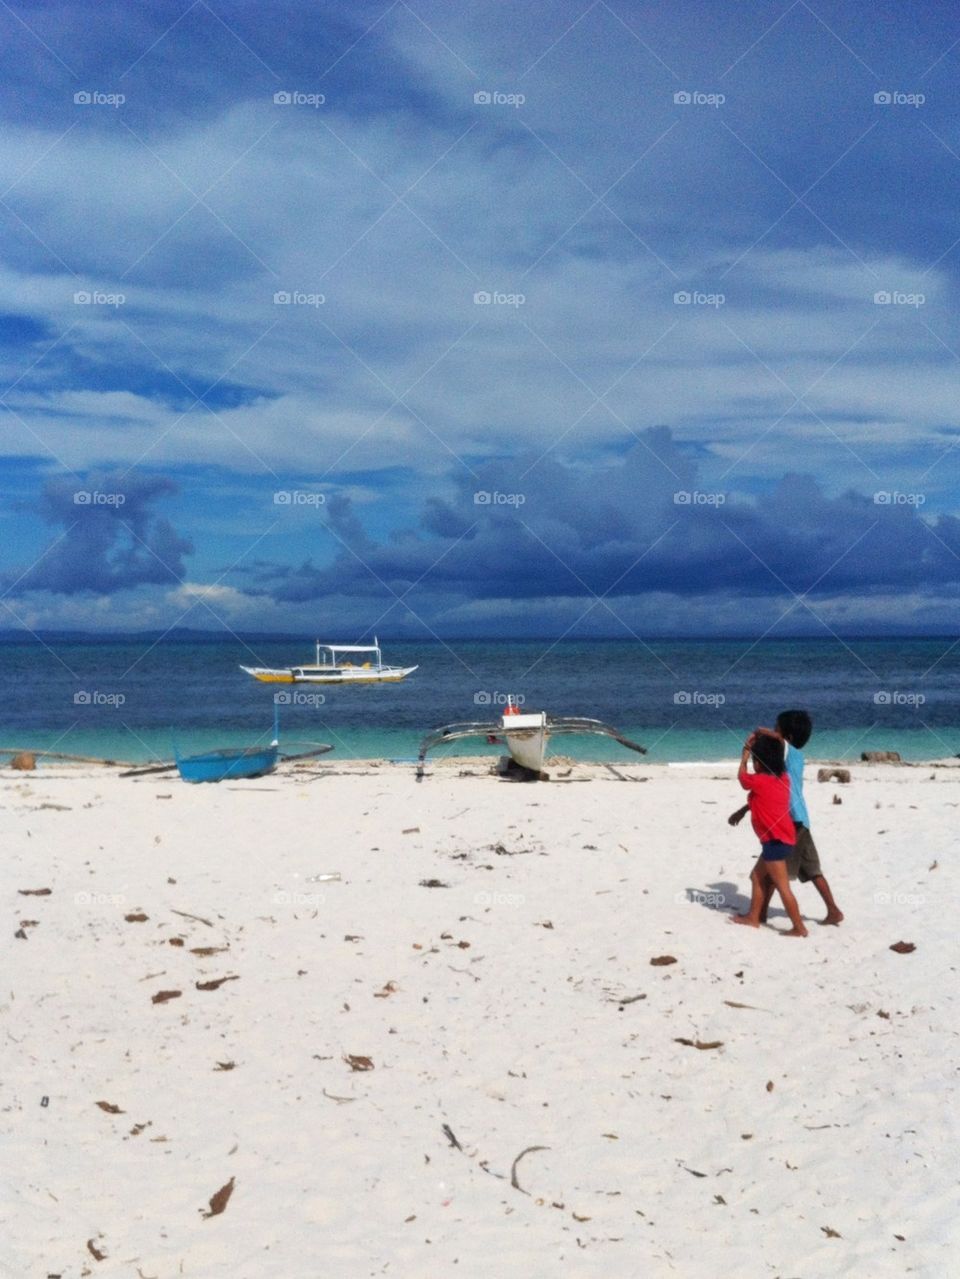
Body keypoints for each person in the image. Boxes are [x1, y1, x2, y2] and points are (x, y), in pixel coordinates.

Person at [729, 710, 843, 926]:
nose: (773, 732)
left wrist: (759, 732)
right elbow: (768, 795)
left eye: (776, 728)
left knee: (771, 872)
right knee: (812, 870)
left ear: (787, 738)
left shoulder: (789, 753)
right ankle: (833, 910)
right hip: (802, 820)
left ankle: (759, 915)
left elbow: (778, 742)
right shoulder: (788, 764)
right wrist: (745, 809)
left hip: (790, 822)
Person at [730, 730, 808, 937]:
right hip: (783, 840)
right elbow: (779, 747)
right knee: (756, 877)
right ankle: (753, 918)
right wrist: (761, 742)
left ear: (758, 763)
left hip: (774, 842)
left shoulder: (759, 782)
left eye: (755, 760)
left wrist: (744, 756)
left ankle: (799, 927)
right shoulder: (783, 779)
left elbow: (742, 778)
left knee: (783, 887)